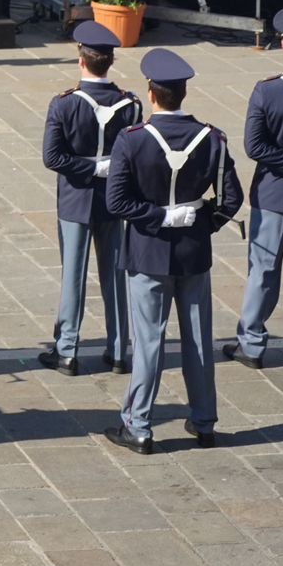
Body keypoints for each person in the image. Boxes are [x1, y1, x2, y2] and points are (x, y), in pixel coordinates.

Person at [104, 49, 243, 453]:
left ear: (151, 93)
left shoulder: (131, 140)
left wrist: (160, 217)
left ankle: (139, 426)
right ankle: (204, 422)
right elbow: (230, 200)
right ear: (183, 93)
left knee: (149, 342)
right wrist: (199, 223)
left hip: (148, 252)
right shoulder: (212, 138)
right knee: (198, 340)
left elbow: (117, 202)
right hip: (193, 252)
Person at [37, 22, 141, 375]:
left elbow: (52, 157)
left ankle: (67, 350)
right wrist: (107, 168)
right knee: (114, 274)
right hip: (114, 198)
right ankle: (118, 351)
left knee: (74, 276)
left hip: (76, 199)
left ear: (81, 60)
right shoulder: (130, 104)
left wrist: (90, 168)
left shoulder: (64, 104)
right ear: (109, 62)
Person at [228, 7, 283, 369]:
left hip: (274, 193)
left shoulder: (268, 91)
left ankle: (252, 344)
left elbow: (255, 146)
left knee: (264, 269)